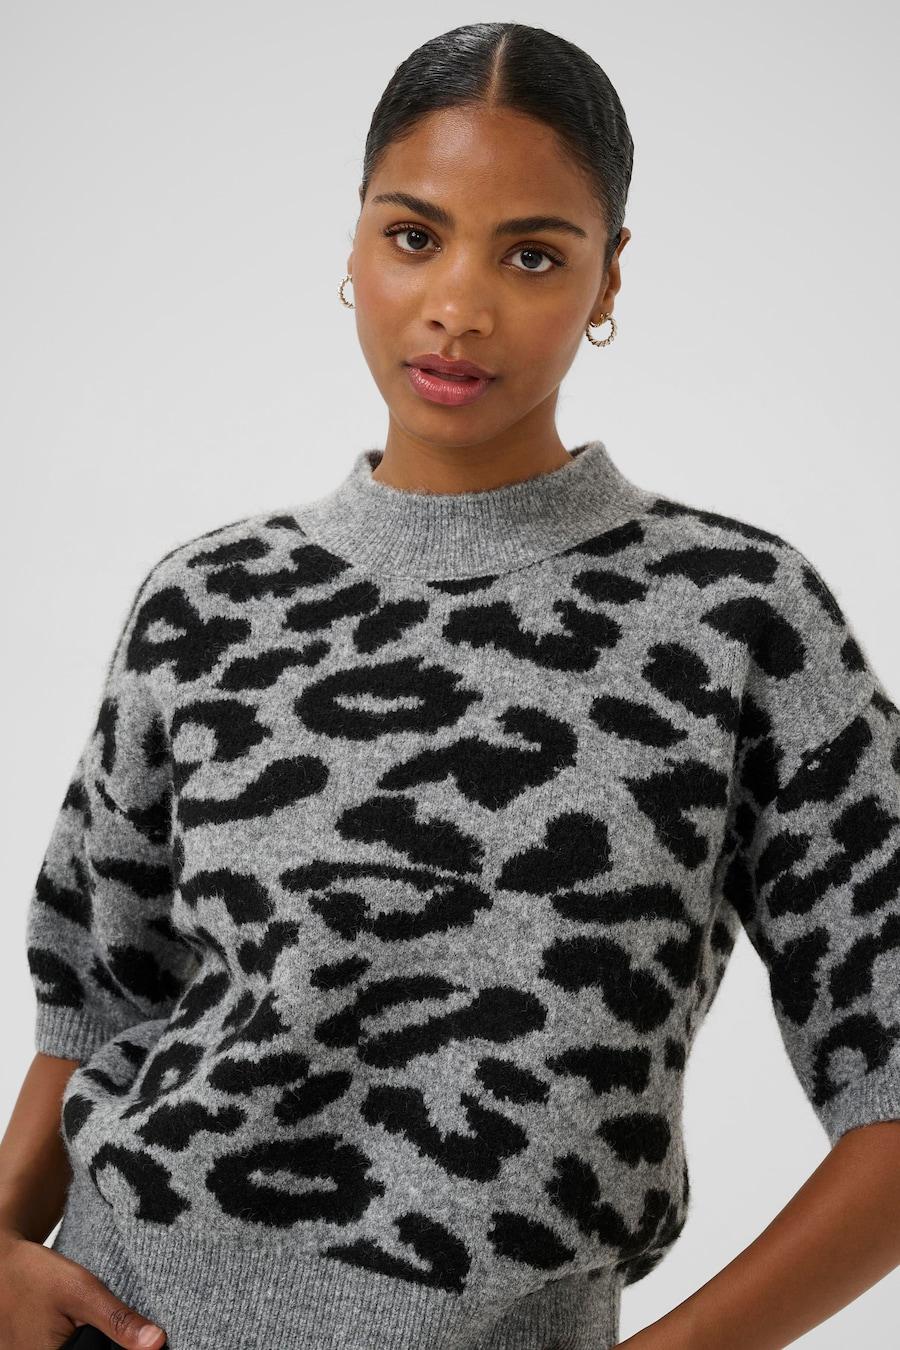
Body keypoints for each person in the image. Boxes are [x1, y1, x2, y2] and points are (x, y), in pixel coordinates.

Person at [3, 19, 900, 1350]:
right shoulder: (205, 599)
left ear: (608, 276)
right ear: (355, 244)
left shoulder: (736, 617)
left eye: (532, 254)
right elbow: (98, 993)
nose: (459, 308)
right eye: (415, 235)